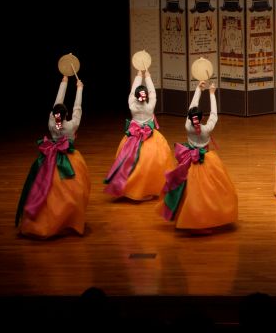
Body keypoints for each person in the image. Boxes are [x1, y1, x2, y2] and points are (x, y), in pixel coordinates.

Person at [158, 82, 238, 232]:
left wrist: (198, 90)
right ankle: (209, 216)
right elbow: (214, 115)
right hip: (206, 159)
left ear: (190, 118)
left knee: (188, 190)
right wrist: (212, 94)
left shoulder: (188, 126)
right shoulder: (206, 129)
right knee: (210, 190)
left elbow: (192, 107)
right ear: (201, 118)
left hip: (189, 160)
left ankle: (190, 216)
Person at [15, 75, 89, 238]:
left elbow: (57, 103)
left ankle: (46, 219)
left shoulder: (51, 122)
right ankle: (67, 219)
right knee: (71, 190)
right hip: (68, 158)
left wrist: (64, 82)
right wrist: (80, 89)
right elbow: (78, 108)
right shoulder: (71, 126)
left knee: (46, 189)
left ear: (54, 114)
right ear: (66, 114)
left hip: (49, 158)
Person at [104, 69, 172, 201]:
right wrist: (147, 76)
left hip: (133, 136)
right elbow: (152, 92)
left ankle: (130, 188)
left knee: (128, 161)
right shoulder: (150, 106)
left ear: (135, 96)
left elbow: (132, 92)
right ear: (146, 96)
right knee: (151, 163)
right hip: (150, 137)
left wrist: (138, 76)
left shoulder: (132, 105)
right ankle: (147, 189)